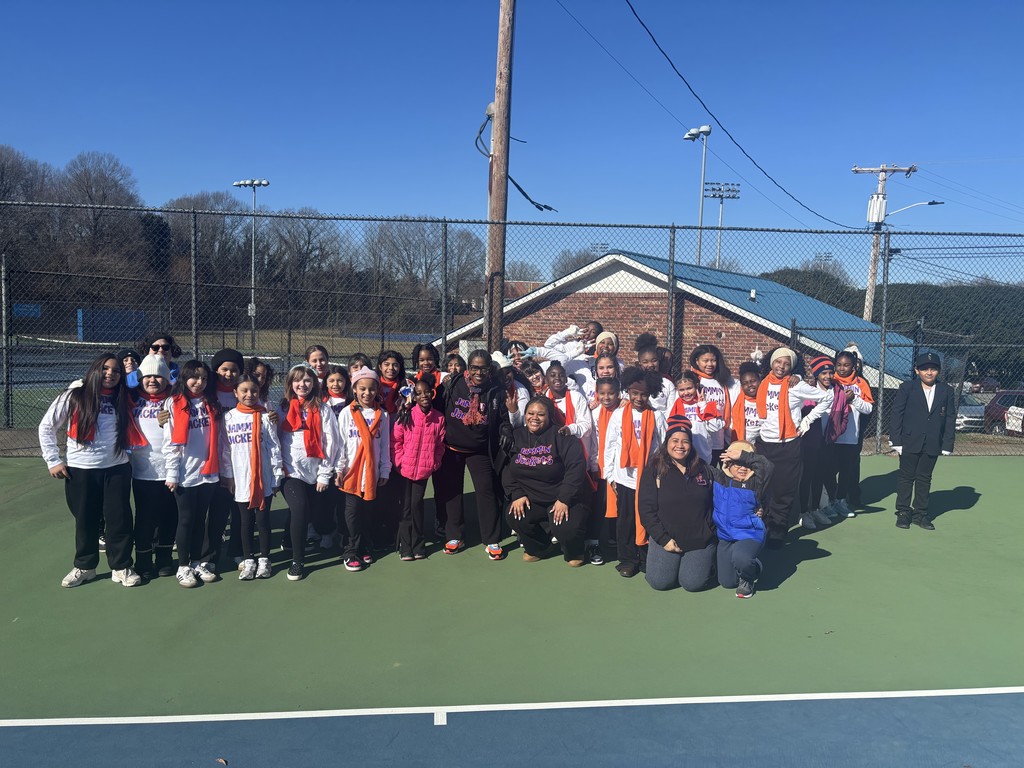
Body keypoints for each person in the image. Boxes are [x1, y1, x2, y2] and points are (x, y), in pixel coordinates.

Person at [39, 353, 140, 588]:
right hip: (81, 469)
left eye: (116, 371)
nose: (110, 374)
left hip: (116, 468)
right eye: (106, 369)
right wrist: (53, 460)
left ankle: (122, 566)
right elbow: (47, 426)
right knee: (85, 520)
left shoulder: (124, 398)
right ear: (95, 370)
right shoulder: (74, 396)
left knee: (119, 519)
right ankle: (85, 566)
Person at [435, 349, 514, 560]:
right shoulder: (454, 384)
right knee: (452, 492)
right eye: (474, 367)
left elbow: (503, 417)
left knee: (486, 491)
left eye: (483, 368)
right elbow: (436, 407)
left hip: (480, 448)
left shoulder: (495, 390)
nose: (479, 372)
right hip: (452, 447)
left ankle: (491, 539)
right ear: (468, 367)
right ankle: (454, 535)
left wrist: (506, 428)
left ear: (490, 369)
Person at [755, 347, 833, 548]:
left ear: (792, 366)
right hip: (764, 444)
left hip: (788, 445)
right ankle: (762, 529)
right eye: (778, 362)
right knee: (763, 490)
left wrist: (807, 420)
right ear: (771, 362)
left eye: (786, 363)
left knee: (783, 491)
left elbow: (827, 398)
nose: (781, 366)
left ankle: (777, 533)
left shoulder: (795, 386)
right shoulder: (764, 383)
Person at [505, 396, 588, 565]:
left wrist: (564, 499)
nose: (534, 418)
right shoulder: (517, 435)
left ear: (549, 416)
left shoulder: (562, 436)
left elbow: (576, 469)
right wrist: (517, 494)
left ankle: (575, 550)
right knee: (515, 515)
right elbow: (506, 469)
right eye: (530, 413)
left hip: (562, 498)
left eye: (541, 414)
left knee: (564, 527)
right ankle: (539, 548)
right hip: (531, 498)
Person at [638, 414, 717, 592]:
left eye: (685, 441)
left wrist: (710, 529)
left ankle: (709, 561)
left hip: (699, 538)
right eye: (675, 440)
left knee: (692, 583)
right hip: (668, 538)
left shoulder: (704, 469)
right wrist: (663, 539)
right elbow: (646, 510)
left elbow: (720, 499)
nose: (680, 446)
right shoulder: (654, 470)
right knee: (660, 582)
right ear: (667, 443)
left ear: (691, 444)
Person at [603, 367, 668, 577]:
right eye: (634, 393)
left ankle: (644, 558)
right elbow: (610, 445)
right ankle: (627, 560)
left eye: (644, 394)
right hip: (624, 478)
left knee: (647, 518)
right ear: (627, 392)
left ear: (650, 394)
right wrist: (610, 476)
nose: (639, 398)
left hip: (648, 478)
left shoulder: (657, 416)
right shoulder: (619, 415)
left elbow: (663, 446)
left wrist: (659, 473)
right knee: (626, 520)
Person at [277, 364, 339, 581]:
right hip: (291, 471)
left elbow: (331, 442)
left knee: (313, 514)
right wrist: (277, 470)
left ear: (314, 384)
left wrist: (324, 474)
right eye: (297, 380)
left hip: (316, 471)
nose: (302, 384)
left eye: (307, 380)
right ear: (290, 383)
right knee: (300, 508)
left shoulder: (323, 409)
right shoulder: (282, 408)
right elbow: (275, 439)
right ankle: (298, 560)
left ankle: (290, 536)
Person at [220, 374, 284, 581]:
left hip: (263, 479)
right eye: (244, 391)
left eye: (254, 391)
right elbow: (225, 450)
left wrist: (276, 476)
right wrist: (228, 476)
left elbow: (274, 446)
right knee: (245, 522)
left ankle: (265, 560)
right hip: (240, 479)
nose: (249, 395)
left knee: (263, 522)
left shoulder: (266, 417)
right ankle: (249, 560)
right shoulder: (229, 418)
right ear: (235, 393)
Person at [163, 360, 221, 588]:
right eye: (194, 377)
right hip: (185, 472)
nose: (199, 382)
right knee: (186, 519)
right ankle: (183, 566)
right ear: (184, 378)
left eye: (204, 378)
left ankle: (197, 561)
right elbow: (170, 442)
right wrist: (172, 473)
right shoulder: (173, 403)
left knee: (200, 518)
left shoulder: (211, 403)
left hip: (208, 471)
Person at [889, 352, 956, 531]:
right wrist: (896, 440)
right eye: (925, 369)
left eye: (933, 369)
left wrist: (948, 443)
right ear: (916, 370)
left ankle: (921, 514)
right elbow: (897, 414)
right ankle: (903, 512)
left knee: (924, 478)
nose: (929, 372)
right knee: (906, 477)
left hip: (933, 442)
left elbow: (950, 418)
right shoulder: (907, 388)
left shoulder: (946, 390)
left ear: (939, 371)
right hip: (909, 441)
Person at [337, 368, 391, 571]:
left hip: (371, 473)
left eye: (371, 389)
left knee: (368, 512)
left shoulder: (382, 415)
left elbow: (385, 445)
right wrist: (340, 469)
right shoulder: (346, 413)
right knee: (352, 513)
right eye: (362, 389)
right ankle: (351, 551)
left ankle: (365, 546)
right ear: (355, 389)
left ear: (377, 390)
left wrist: (385, 469)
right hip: (351, 473)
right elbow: (340, 444)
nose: (367, 393)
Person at [127, 353, 176, 580]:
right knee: (145, 518)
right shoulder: (130, 399)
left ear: (167, 379)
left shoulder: (175, 401)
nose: (153, 380)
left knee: (169, 515)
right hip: (143, 471)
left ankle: (165, 558)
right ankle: (144, 559)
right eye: (148, 376)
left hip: (171, 471)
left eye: (159, 376)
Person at [392, 376, 445, 560]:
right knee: (406, 508)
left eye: (427, 392)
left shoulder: (439, 418)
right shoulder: (406, 414)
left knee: (417, 505)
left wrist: (434, 462)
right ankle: (405, 546)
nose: (424, 396)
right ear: (413, 397)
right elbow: (396, 441)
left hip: (423, 470)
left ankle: (418, 544)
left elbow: (440, 445)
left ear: (432, 393)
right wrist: (399, 461)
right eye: (419, 393)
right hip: (404, 469)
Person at [712, 441, 772, 599]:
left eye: (747, 464)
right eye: (737, 463)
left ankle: (748, 576)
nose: (743, 468)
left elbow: (767, 466)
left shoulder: (756, 482)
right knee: (726, 582)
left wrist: (744, 455)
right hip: (725, 536)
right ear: (728, 463)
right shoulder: (719, 478)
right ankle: (751, 564)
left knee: (742, 559)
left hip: (749, 533)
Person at [798, 356, 848, 530]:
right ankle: (803, 512)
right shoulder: (808, 392)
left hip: (828, 443)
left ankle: (815, 509)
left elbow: (844, 415)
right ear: (816, 374)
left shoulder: (839, 392)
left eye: (830, 372)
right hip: (810, 443)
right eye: (823, 373)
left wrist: (837, 432)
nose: (828, 376)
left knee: (819, 476)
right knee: (807, 477)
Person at [832, 348, 874, 517]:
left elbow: (868, 408)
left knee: (846, 470)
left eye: (846, 365)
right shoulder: (831, 380)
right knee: (828, 471)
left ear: (854, 366)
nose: (842, 368)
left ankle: (842, 501)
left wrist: (854, 399)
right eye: (839, 365)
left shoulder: (860, 383)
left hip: (850, 437)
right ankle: (826, 502)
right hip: (832, 436)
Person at [587, 375, 622, 565]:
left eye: (611, 393)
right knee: (599, 506)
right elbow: (594, 441)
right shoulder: (594, 413)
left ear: (618, 394)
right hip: (600, 468)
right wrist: (594, 464)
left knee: (620, 505)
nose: (607, 397)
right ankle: (594, 543)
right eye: (602, 393)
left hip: (621, 469)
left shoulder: (625, 411)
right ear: (596, 394)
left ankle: (617, 542)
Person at [685, 344, 739, 465]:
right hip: (700, 437)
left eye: (713, 360)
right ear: (696, 361)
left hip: (718, 437)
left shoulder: (722, 380)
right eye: (705, 361)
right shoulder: (694, 381)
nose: (710, 364)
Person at [668, 370, 721, 464]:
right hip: (682, 455)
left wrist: (703, 406)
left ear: (696, 386)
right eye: (682, 390)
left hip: (703, 455)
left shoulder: (708, 405)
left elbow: (714, 427)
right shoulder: (675, 408)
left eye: (689, 388)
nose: (686, 393)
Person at [636, 334, 674, 412]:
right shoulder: (634, 382)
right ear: (639, 364)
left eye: (654, 361)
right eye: (645, 362)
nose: (650, 365)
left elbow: (671, 410)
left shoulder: (668, 384)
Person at [730, 362, 762, 444]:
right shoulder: (736, 398)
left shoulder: (766, 398)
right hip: (740, 443)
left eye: (753, 381)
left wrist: (797, 376)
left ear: (759, 380)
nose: (750, 385)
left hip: (761, 443)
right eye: (745, 383)